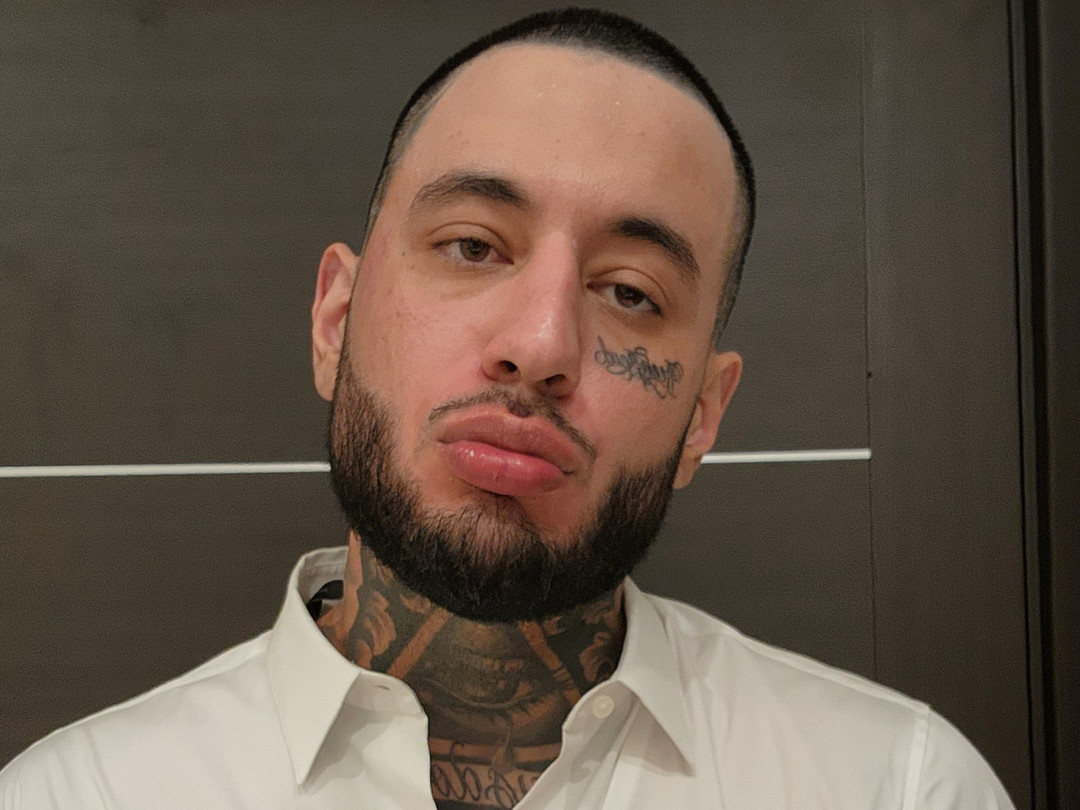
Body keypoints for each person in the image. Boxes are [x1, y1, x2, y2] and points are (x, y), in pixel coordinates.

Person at [0, 8, 1015, 809]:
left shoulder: (900, 788)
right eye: (473, 246)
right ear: (335, 320)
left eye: (631, 292)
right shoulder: (78, 796)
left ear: (703, 415)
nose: (539, 345)